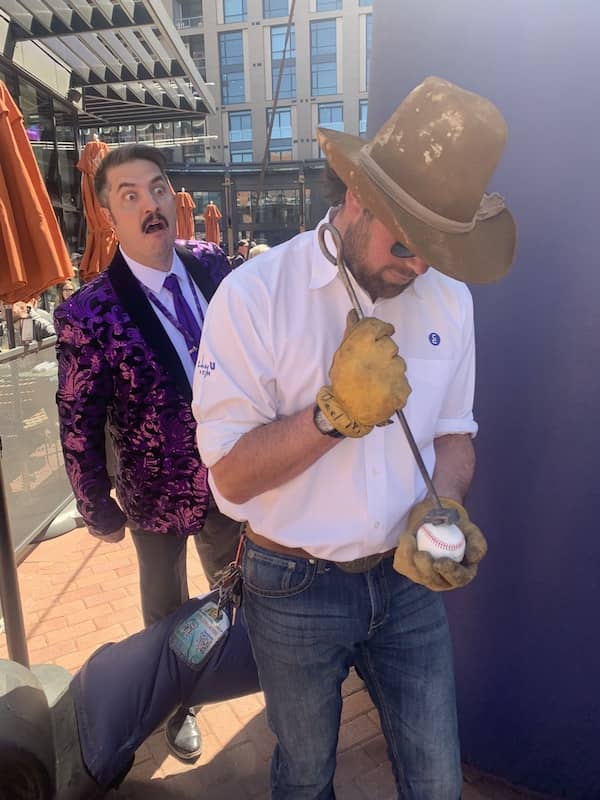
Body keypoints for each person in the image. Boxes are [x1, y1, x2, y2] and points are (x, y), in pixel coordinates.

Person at [192, 77, 516, 799]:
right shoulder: (252, 297)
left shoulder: (450, 301)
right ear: (358, 197)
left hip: (406, 584)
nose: (422, 266)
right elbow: (230, 480)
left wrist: (447, 508)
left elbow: (455, 437)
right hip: (290, 583)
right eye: (409, 243)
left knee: (437, 782)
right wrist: (331, 417)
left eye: (440, 250)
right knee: (305, 776)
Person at [55, 143, 242, 764]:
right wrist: (96, 507)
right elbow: (77, 417)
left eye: (157, 188)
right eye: (129, 195)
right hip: (153, 494)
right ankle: (175, 706)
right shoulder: (91, 311)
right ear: (108, 214)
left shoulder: (212, 265)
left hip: (232, 479)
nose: (150, 204)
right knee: (165, 614)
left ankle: (237, 671)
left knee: (233, 592)